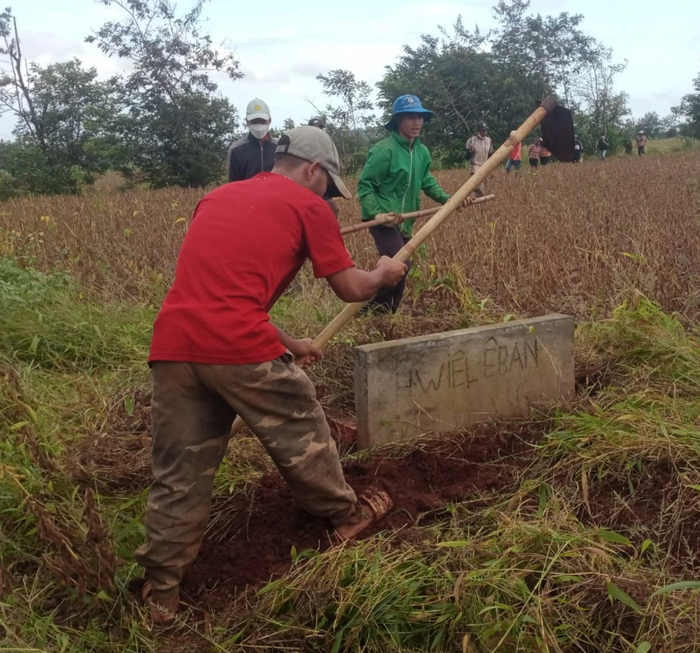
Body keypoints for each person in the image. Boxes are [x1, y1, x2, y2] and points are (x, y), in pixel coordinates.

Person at [137, 126, 407, 625]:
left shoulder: (216, 197)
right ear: (312, 169)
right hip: (237, 348)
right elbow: (351, 288)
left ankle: (161, 594)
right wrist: (385, 273)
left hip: (174, 346)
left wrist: (290, 342)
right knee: (302, 427)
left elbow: (224, 291)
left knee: (179, 473)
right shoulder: (310, 207)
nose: (330, 196)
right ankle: (346, 515)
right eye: (329, 185)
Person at [357, 95, 471, 314]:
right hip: (384, 220)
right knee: (401, 265)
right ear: (398, 120)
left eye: (420, 117)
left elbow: (427, 181)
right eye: (410, 117)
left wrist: (451, 200)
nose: (416, 122)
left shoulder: (422, 152)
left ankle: (386, 314)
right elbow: (365, 185)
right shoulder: (383, 150)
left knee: (400, 269)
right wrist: (378, 214)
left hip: (406, 220)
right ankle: (370, 310)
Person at [227, 98, 277, 182]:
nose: (258, 125)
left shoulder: (280, 149)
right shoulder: (236, 151)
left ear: (270, 120)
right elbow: (232, 185)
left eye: (262, 121)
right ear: (247, 122)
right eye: (254, 121)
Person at [466, 121, 492, 196]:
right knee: (481, 188)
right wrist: (471, 150)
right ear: (478, 131)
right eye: (482, 131)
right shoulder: (471, 141)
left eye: (485, 130)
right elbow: (466, 157)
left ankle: (479, 205)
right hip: (475, 167)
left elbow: (490, 154)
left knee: (484, 190)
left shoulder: (489, 140)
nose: (484, 132)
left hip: (485, 166)